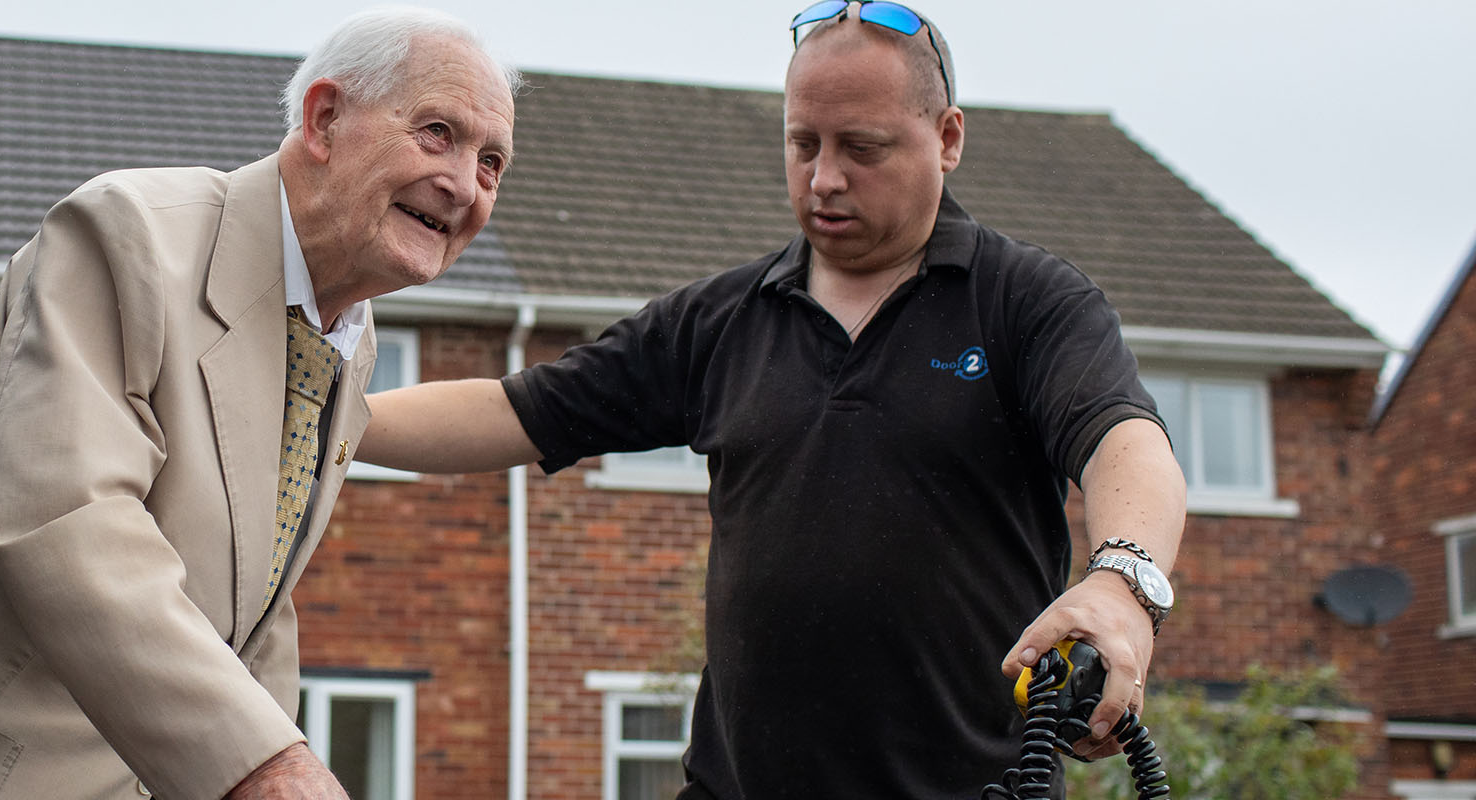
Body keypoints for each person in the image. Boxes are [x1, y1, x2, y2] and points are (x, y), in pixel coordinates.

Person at [358, 2, 1186, 796]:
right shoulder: (721, 320)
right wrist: (324, 411)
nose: (824, 178)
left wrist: (1122, 584)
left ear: (948, 138)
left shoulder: (1026, 302)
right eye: (802, 143)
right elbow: (514, 411)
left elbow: (1126, 441)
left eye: (862, 147)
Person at [0, 7, 517, 799]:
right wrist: (263, 769)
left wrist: (280, 749)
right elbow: (67, 521)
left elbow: (256, 609)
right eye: (438, 133)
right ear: (325, 118)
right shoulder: (128, 235)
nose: (463, 184)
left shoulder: (343, 333)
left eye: (491, 163)